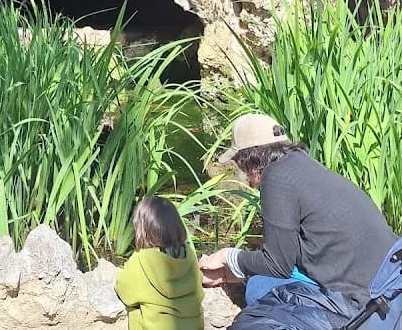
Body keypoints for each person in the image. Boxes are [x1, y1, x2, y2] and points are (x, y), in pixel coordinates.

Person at [199, 113, 398, 307]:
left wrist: (228, 257)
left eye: (240, 166)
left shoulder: (275, 178)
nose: (245, 179)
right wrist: (238, 268)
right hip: (391, 275)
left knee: (258, 287)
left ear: (249, 159)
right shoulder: (302, 163)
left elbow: (276, 265)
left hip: (365, 298)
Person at [116, 195, 204, 330]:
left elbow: (123, 289)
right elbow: (198, 286)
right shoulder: (188, 255)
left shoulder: (142, 259)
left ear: (142, 229)